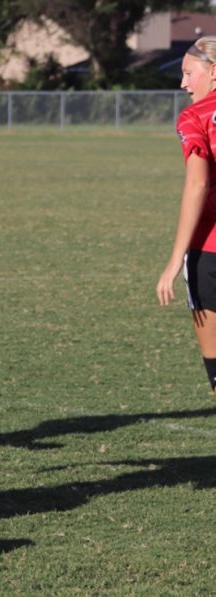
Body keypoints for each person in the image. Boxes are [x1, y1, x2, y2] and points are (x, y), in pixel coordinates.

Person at [158, 36, 216, 391]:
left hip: (209, 253)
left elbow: (198, 186)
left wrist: (173, 261)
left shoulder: (195, 116)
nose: (182, 83)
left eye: (188, 73)